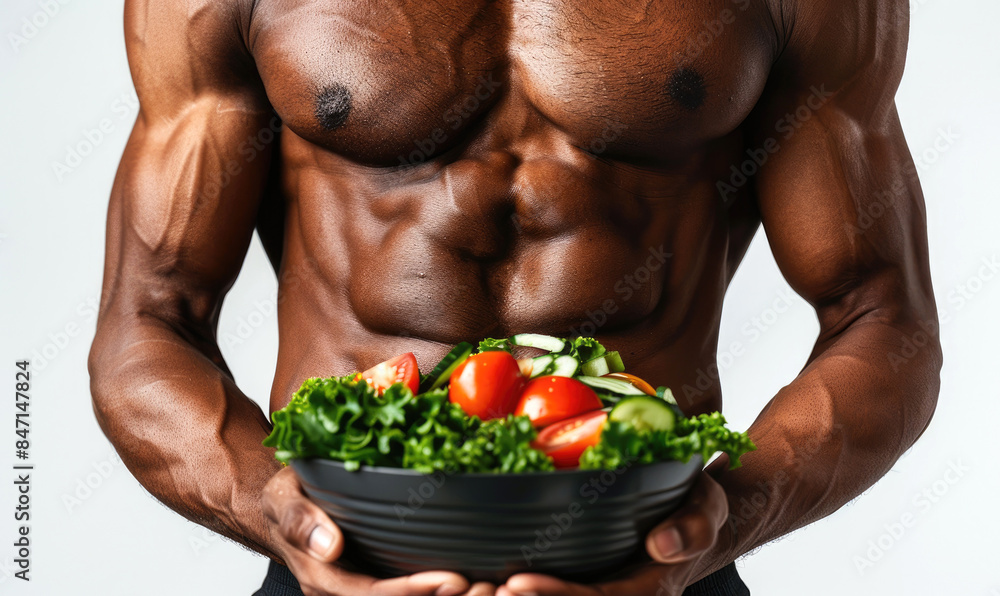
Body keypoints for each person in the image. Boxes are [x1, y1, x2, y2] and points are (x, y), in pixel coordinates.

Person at [88, 0, 941, 594]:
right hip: (343, 571)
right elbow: (147, 323)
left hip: (650, 574)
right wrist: (270, 508)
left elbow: (882, 317)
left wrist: (723, 518)